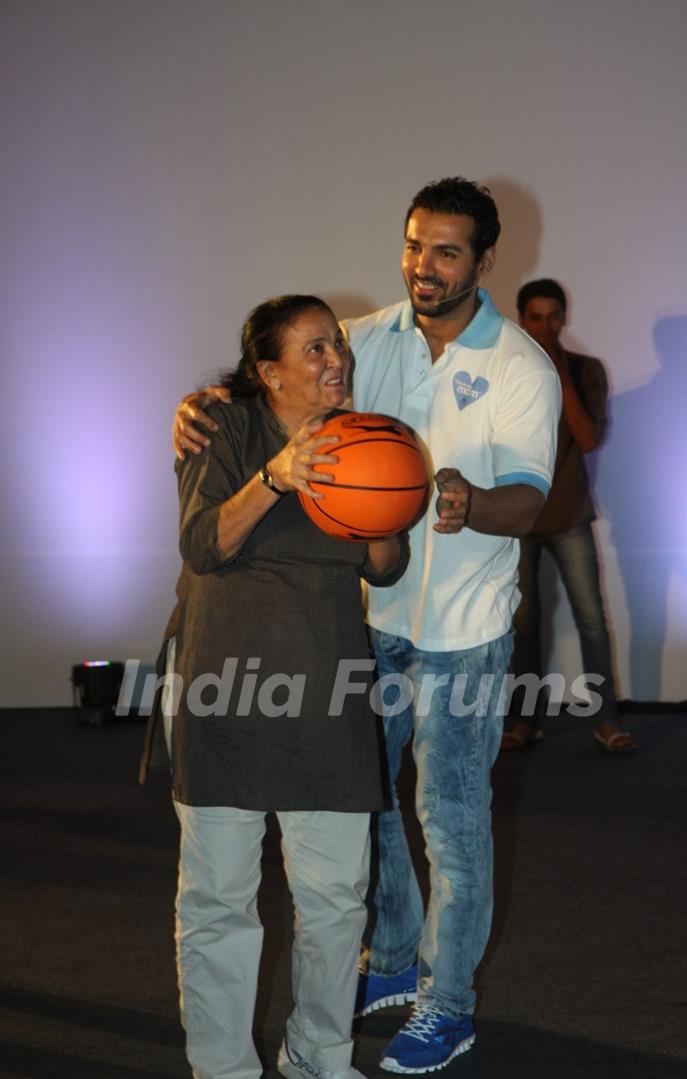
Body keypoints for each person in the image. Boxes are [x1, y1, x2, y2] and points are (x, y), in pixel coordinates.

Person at [172, 178, 561, 1074]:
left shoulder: (520, 366)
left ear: (485, 261)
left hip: (462, 626)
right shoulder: (367, 340)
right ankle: (388, 963)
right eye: (415, 245)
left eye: (448, 251)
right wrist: (195, 406)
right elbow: (271, 387)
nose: (425, 267)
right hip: (370, 623)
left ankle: (447, 1003)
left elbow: (533, 503)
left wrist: (468, 499)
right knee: (370, 811)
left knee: (451, 821)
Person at [146, 294, 409, 1079]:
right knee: (220, 902)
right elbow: (202, 544)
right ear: (269, 370)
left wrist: (384, 506)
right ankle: (223, 1068)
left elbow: (387, 565)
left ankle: (319, 1057)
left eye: (337, 345)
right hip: (225, 689)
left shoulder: (364, 435)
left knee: (335, 903)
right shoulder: (219, 425)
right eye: (315, 349)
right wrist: (278, 474)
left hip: (327, 689)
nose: (336, 361)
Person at [502, 278, 638, 754]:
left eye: (552, 316)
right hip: (517, 515)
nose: (545, 326)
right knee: (522, 624)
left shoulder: (584, 370)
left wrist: (558, 374)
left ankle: (606, 719)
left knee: (591, 621)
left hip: (570, 513)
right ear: (522, 319)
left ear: (564, 317)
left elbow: (589, 438)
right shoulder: (505, 369)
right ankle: (524, 720)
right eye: (535, 317)